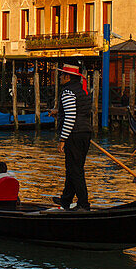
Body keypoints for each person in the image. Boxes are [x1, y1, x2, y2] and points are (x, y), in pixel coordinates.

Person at [54, 62, 93, 212]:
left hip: (74, 134)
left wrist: (62, 139)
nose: (60, 77)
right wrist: (57, 112)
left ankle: (84, 204)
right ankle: (66, 199)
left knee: (75, 170)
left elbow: (71, 116)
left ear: (67, 77)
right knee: (73, 168)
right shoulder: (83, 90)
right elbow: (79, 111)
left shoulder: (67, 92)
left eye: (62, 75)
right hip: (85, 132)